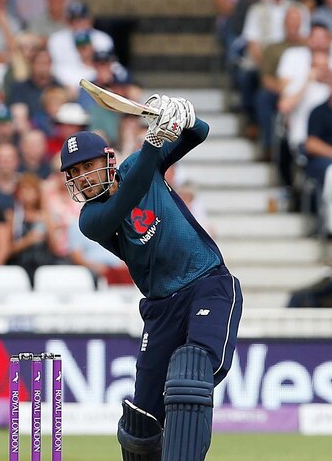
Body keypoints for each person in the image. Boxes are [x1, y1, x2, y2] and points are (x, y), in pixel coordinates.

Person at [59, 95, 242, 460]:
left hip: (207, 283)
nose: (83, 177)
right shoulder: (91, 220)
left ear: (108, 160)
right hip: (160, 308)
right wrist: (153, 142)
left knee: (191, 372)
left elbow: (199, 133)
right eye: (75, 172)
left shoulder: (140, 163)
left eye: (87, 165)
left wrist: (179, 114)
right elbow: (129, 194)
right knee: (140, 425)